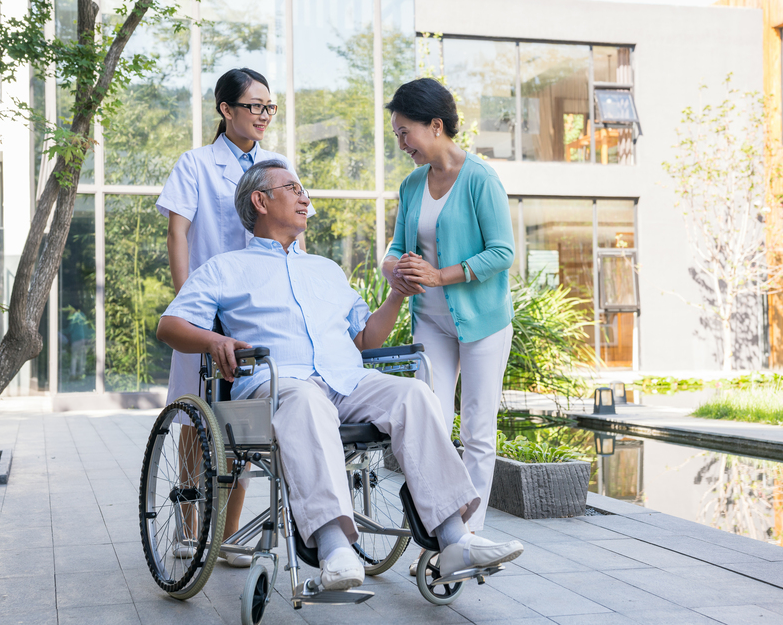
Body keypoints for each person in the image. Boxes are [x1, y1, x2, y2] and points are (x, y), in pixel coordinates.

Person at [156, 160, 524, 590]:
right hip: (277, 386)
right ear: (260, 200)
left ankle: (455, 538)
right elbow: (170, 327)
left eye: (303, 190)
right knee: (306, 401)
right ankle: (334, 547)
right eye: (292, 188)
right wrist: (212, 341)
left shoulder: (326, 270)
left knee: (414, 394)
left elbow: (365, 338)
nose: (304, 197)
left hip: (346, 382)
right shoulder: (224, 268)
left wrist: (396, 296)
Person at [156, 67, 313, 566]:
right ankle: (187, 527)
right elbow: (178, 234)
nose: (264, 115)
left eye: (270, 106)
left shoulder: (277, 164)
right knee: (194, 417)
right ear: (226, 110)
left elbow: (295, 235)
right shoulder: (196, 163)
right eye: (255, 106)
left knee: (242, 422)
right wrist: (191, 310)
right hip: (208, 308)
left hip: (259, 310)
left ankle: (228, 535)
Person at [382, 79, 516, 555]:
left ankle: (470, 533)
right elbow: (396, 250)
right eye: (397, 135)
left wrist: (440, 276)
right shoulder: (412, 184)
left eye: (405, 133)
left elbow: (503, 252)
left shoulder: (480, 178)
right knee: (431, 421)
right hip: (431, 322)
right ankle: (443, 522)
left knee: (478, 427)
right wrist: (395, 268)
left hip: (481, 321)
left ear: (435, 126)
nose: (401, 144)